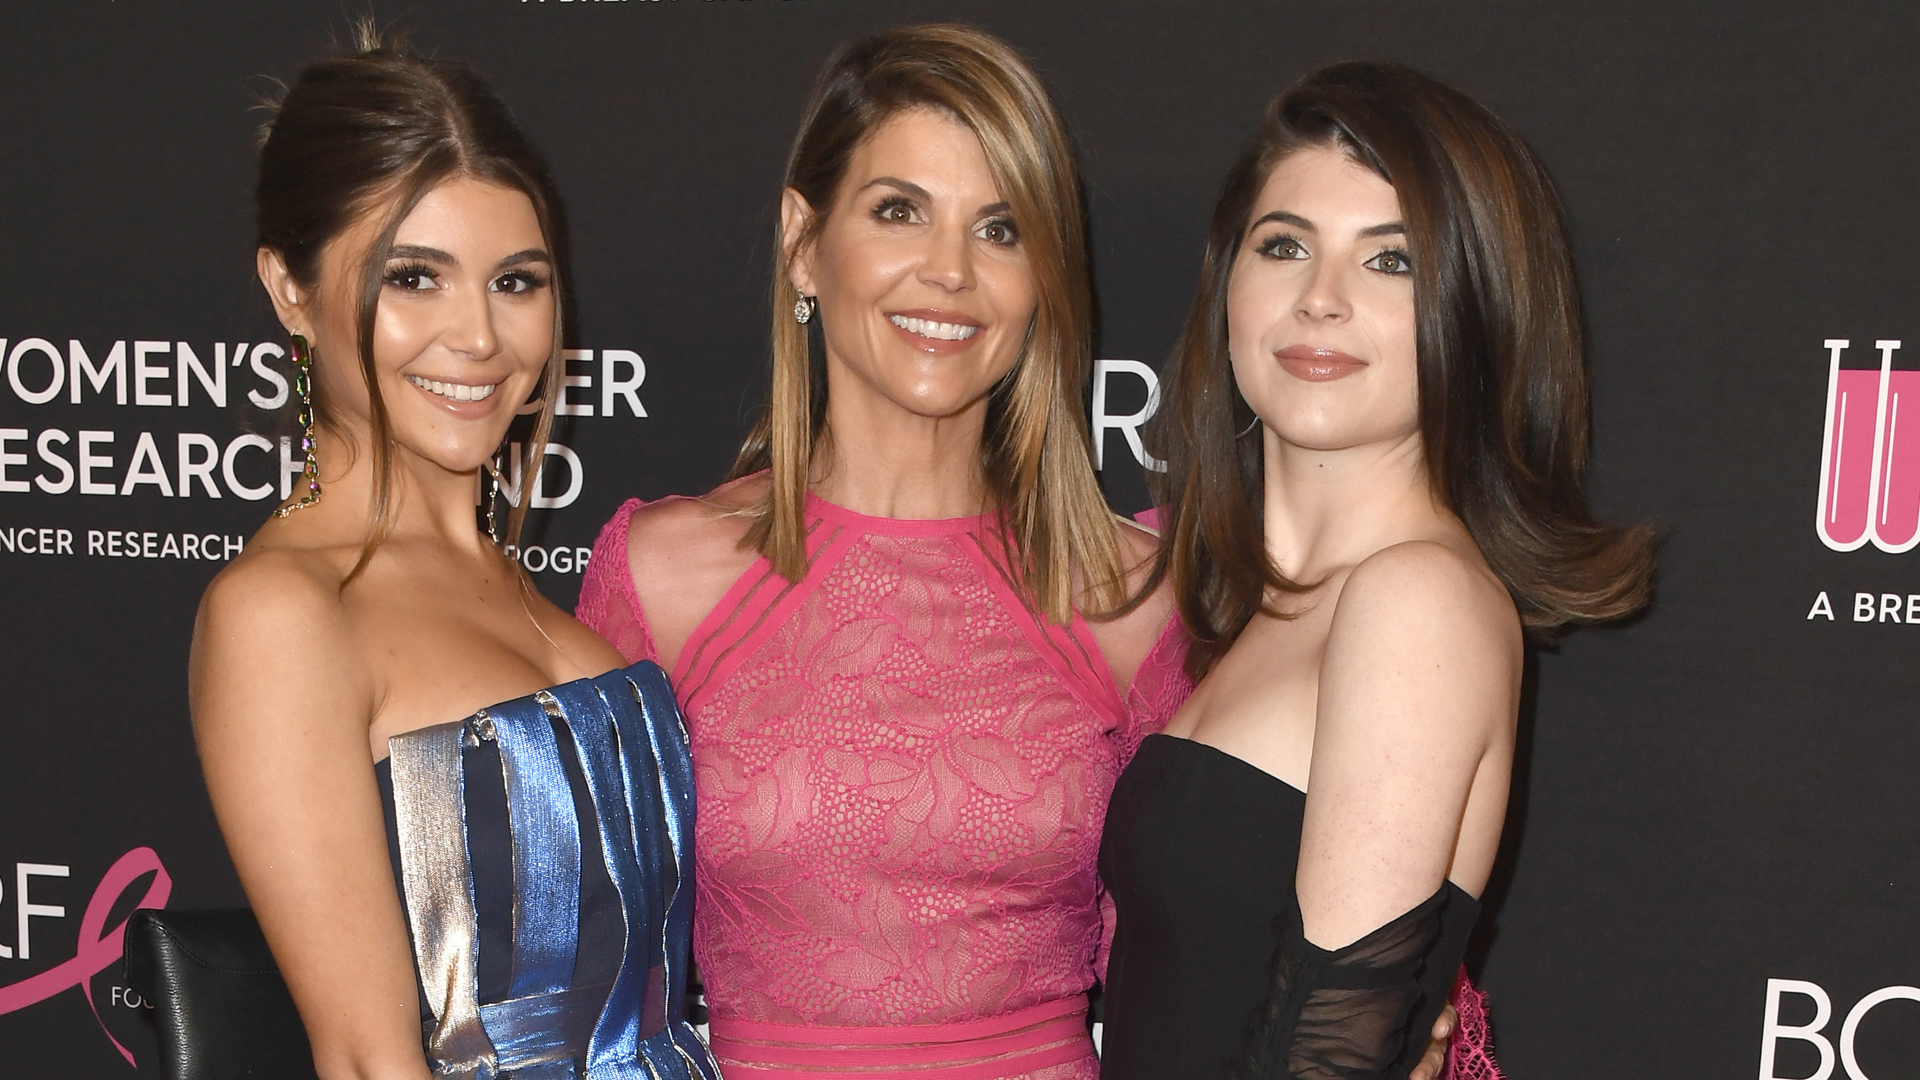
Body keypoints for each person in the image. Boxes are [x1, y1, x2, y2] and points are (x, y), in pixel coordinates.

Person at [576, 26, 1462, 1080]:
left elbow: (1223, 934)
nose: (948, 271)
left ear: (1042, 276)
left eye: (1000, 229)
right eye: (899, 211)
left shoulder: (1132, 594)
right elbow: (587, 985)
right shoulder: (662, 577)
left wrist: (1402, 1024)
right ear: (804, 240)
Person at [1097, 61, 1655, 1080]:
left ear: (1473, 314)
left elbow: (1327, 1063)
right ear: (1229, 279)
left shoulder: (1415, 600)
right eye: (1284, 246)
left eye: (1390, 263)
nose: (1321, 299)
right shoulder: (1251, 611)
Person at [190, 33, 715, 1080]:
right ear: (289, 291)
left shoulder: (518, 587)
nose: (478, 337)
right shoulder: (285, 613)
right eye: (415, 278)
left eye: (516, 281)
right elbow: (366, 1057)